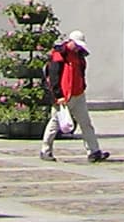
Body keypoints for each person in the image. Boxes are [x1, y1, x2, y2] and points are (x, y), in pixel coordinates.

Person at [41, 30, 108, 161]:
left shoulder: (80, 56)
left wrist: (82, 87)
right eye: (76, 44)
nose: (78, 47)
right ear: (70, 41)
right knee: (54, 123)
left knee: (86, 123)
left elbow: (80, 73)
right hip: (63, 97)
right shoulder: (59, 54)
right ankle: (45, 150)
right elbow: (54, 77)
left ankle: (94, 152)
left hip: (78, 94)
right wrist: (58, 95)